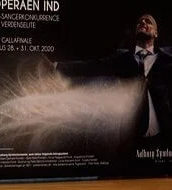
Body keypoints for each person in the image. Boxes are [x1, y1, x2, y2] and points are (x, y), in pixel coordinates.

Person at [56, 13, 172, 173]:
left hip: (165, 139)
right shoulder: (122, 58)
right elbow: (92, 66)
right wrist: (58, 66)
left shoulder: (167, 60)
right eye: (139, 22)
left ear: (156, 33)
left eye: (148, 22)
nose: (143, 22)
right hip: (131, 138)